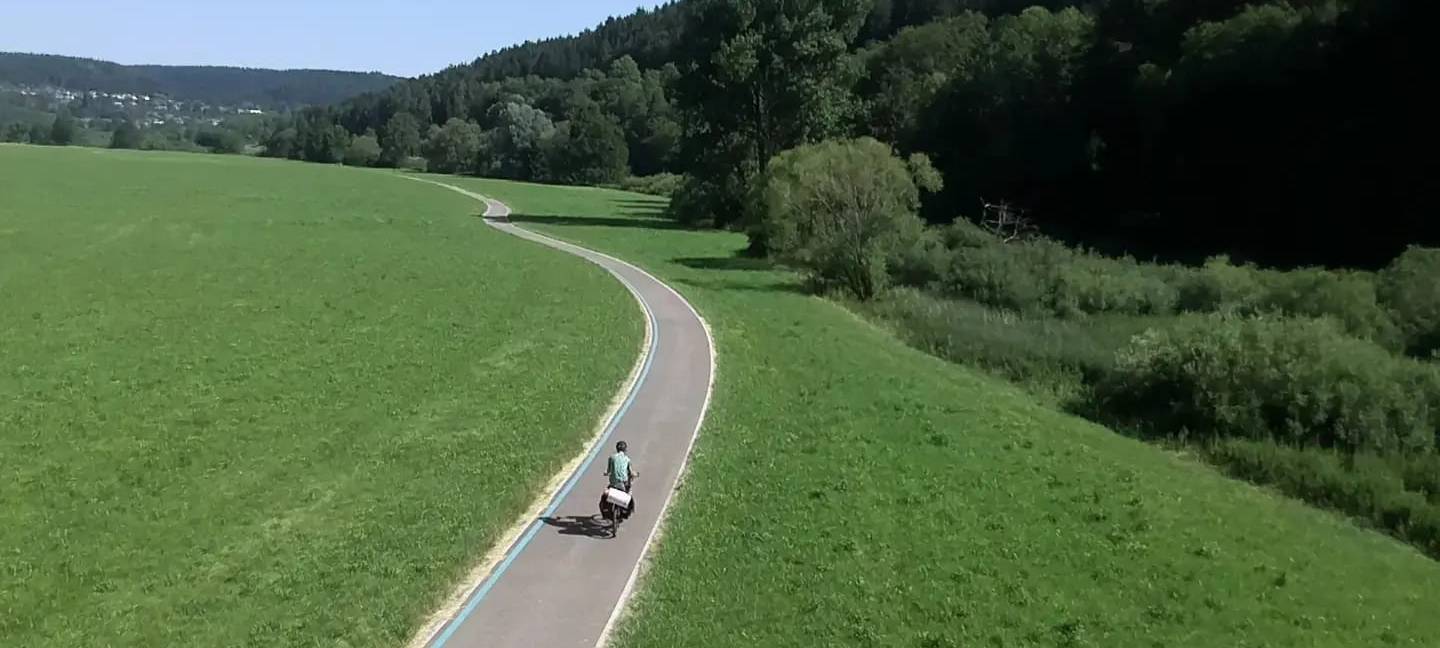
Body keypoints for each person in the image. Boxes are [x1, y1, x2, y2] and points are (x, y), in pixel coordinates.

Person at [600, 441, 638, 530]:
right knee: (629, 492)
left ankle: (607, 513)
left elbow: (609, 471)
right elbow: (630, 472)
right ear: (625, 449)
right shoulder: (627, 459)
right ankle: (624, 512)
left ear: (617, 449)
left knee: (605, 496)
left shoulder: (611, 458)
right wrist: (635, 474)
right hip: (623, 484)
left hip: (613, 483)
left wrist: (607, 473)